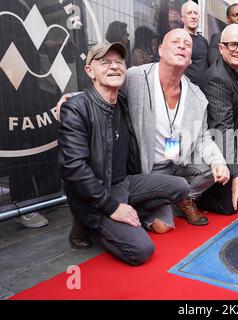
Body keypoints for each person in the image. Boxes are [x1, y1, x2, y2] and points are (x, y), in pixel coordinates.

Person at [58, 42, 190, 265]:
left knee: (181, 186)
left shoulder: (122, 101)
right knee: (142, 250)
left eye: (119, 62)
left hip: (124, 184)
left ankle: (126, 211)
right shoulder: (76, 108)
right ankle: (87, 222)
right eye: (105, 62)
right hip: (97, 194)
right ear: (90, 71)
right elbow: (73, 168)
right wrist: (112, 208)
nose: (114, 67)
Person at [123, 29, 229, 226]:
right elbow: (106, 90)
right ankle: (166, 198)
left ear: (190, 59)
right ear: (161, 50)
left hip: (177, 163)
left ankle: (181, 197)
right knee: (163, 227)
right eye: (175, 42)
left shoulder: (197, 96)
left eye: (187, 45)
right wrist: (74, 100)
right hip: (147, 170)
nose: (182, 46)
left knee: (216, 167)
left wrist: (219, 162)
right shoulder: (135, 78)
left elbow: (203, 137)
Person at [197, 24, 238, 215]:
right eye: (233, 45)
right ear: (221, 48)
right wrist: (236, 173)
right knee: (228, 206)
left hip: (237, 137)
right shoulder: (217, 78)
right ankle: (192, 196)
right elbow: (222, 130)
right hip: (212, 146)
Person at [181, 1, 209, 86]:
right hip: (186, 89)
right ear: (182, 18)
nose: (193, 17)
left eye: (196, 13)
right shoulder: (178, 38)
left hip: (204, 92)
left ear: (199, 17)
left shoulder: (204, 41)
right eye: (189, 13)